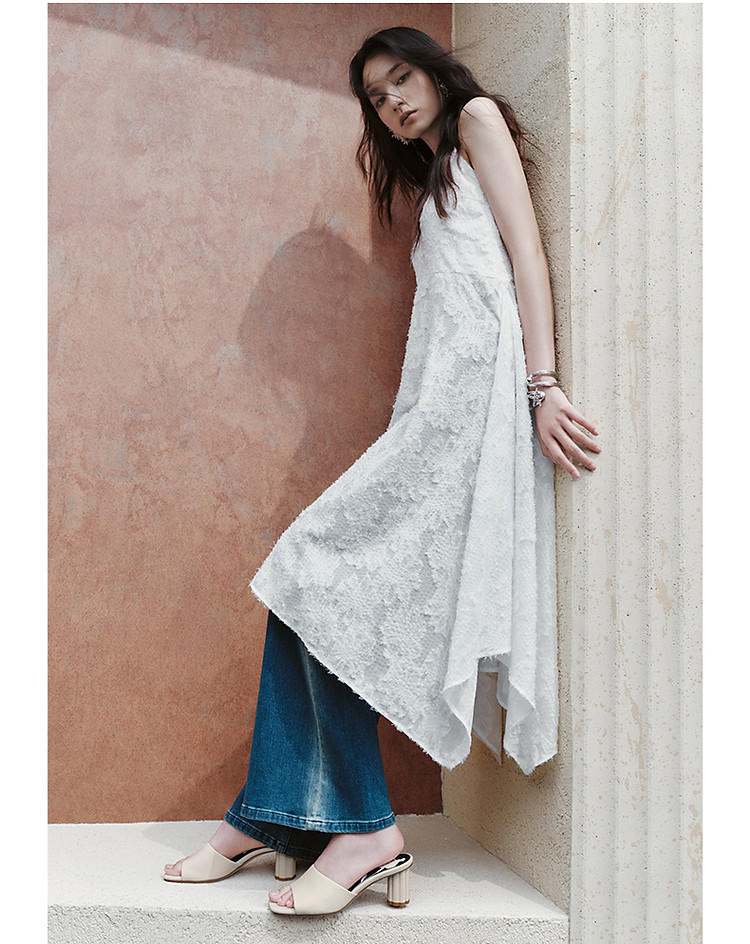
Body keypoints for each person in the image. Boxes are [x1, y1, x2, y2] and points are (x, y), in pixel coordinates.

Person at [163, 26, 600, 917]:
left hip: (467, 421)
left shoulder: (476, 120)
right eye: (377, 94)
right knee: (302, 586)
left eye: (402, 78)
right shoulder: (435, 172)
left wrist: (544, 386)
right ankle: (276, 813)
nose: (394, 99)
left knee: (311, 572)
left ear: (434, 74)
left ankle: (363, 829)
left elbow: (527, 256)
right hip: (430, 419)